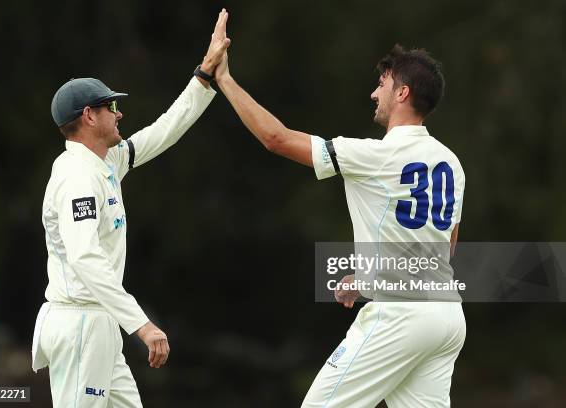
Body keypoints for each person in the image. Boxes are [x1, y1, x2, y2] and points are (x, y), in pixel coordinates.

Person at [213, 11, 466, 408]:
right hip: (446, 316)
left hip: (399, 317)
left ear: (402, 93)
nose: (373, 93)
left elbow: (276, 139)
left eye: (381, 84)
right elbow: (445, 248)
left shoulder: (377, 156)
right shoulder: (451, 163)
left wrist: (223, 80)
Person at [30, 10, 231, 407]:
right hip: (80, 324)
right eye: (109, 107)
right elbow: (86, 258)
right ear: (88, 116)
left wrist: (205, 74)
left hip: (101, 325)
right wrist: (141, 325)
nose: (119, 113)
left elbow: (163, 131)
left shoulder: (106, 161)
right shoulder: (76, 177)